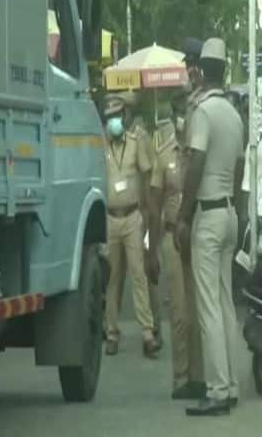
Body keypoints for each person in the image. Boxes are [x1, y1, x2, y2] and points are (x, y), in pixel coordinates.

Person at [175, 38, 244, 416]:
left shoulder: (202, 112)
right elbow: (239, 169)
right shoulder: (234, 114)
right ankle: (230, 384)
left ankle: (217, 390)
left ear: (201, 71)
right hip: (229, 212)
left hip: (207, 215)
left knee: (209, 308)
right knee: (226, 303)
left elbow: (196, 163)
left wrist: (184, 215)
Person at [147, 94, 205, 400]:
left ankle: (200, 377)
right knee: (180, 312)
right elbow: (154, 204)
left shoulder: (199, 153)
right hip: (171, 238)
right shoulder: (163, 153)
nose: (183, 117)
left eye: (187, 110)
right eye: (179, 110)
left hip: (197, 237)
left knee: (199, 312)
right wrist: (151, 249)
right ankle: (181, 378)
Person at [103, 97, 161, 358]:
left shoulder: (136, 143)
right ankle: (111, 333)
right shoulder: (100, 146)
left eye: (117, 115)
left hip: (133, 216)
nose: (113, 121)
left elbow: (148, 177)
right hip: (109, 218)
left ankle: (147, 333)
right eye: (109, 117)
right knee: (112, 279)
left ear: (124, 116)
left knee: (139, 275)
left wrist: (149, 214)